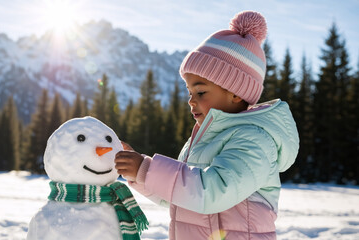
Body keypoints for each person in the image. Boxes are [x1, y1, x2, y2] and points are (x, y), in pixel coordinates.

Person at [114, 10, 299, 240]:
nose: (191, 100)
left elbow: (212, 192)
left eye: (200, 91)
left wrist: (147, 169)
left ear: (236, 93)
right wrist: (141, 174)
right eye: (189, 91)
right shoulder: (202, 140)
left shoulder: (254, 139)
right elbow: (179, 195)